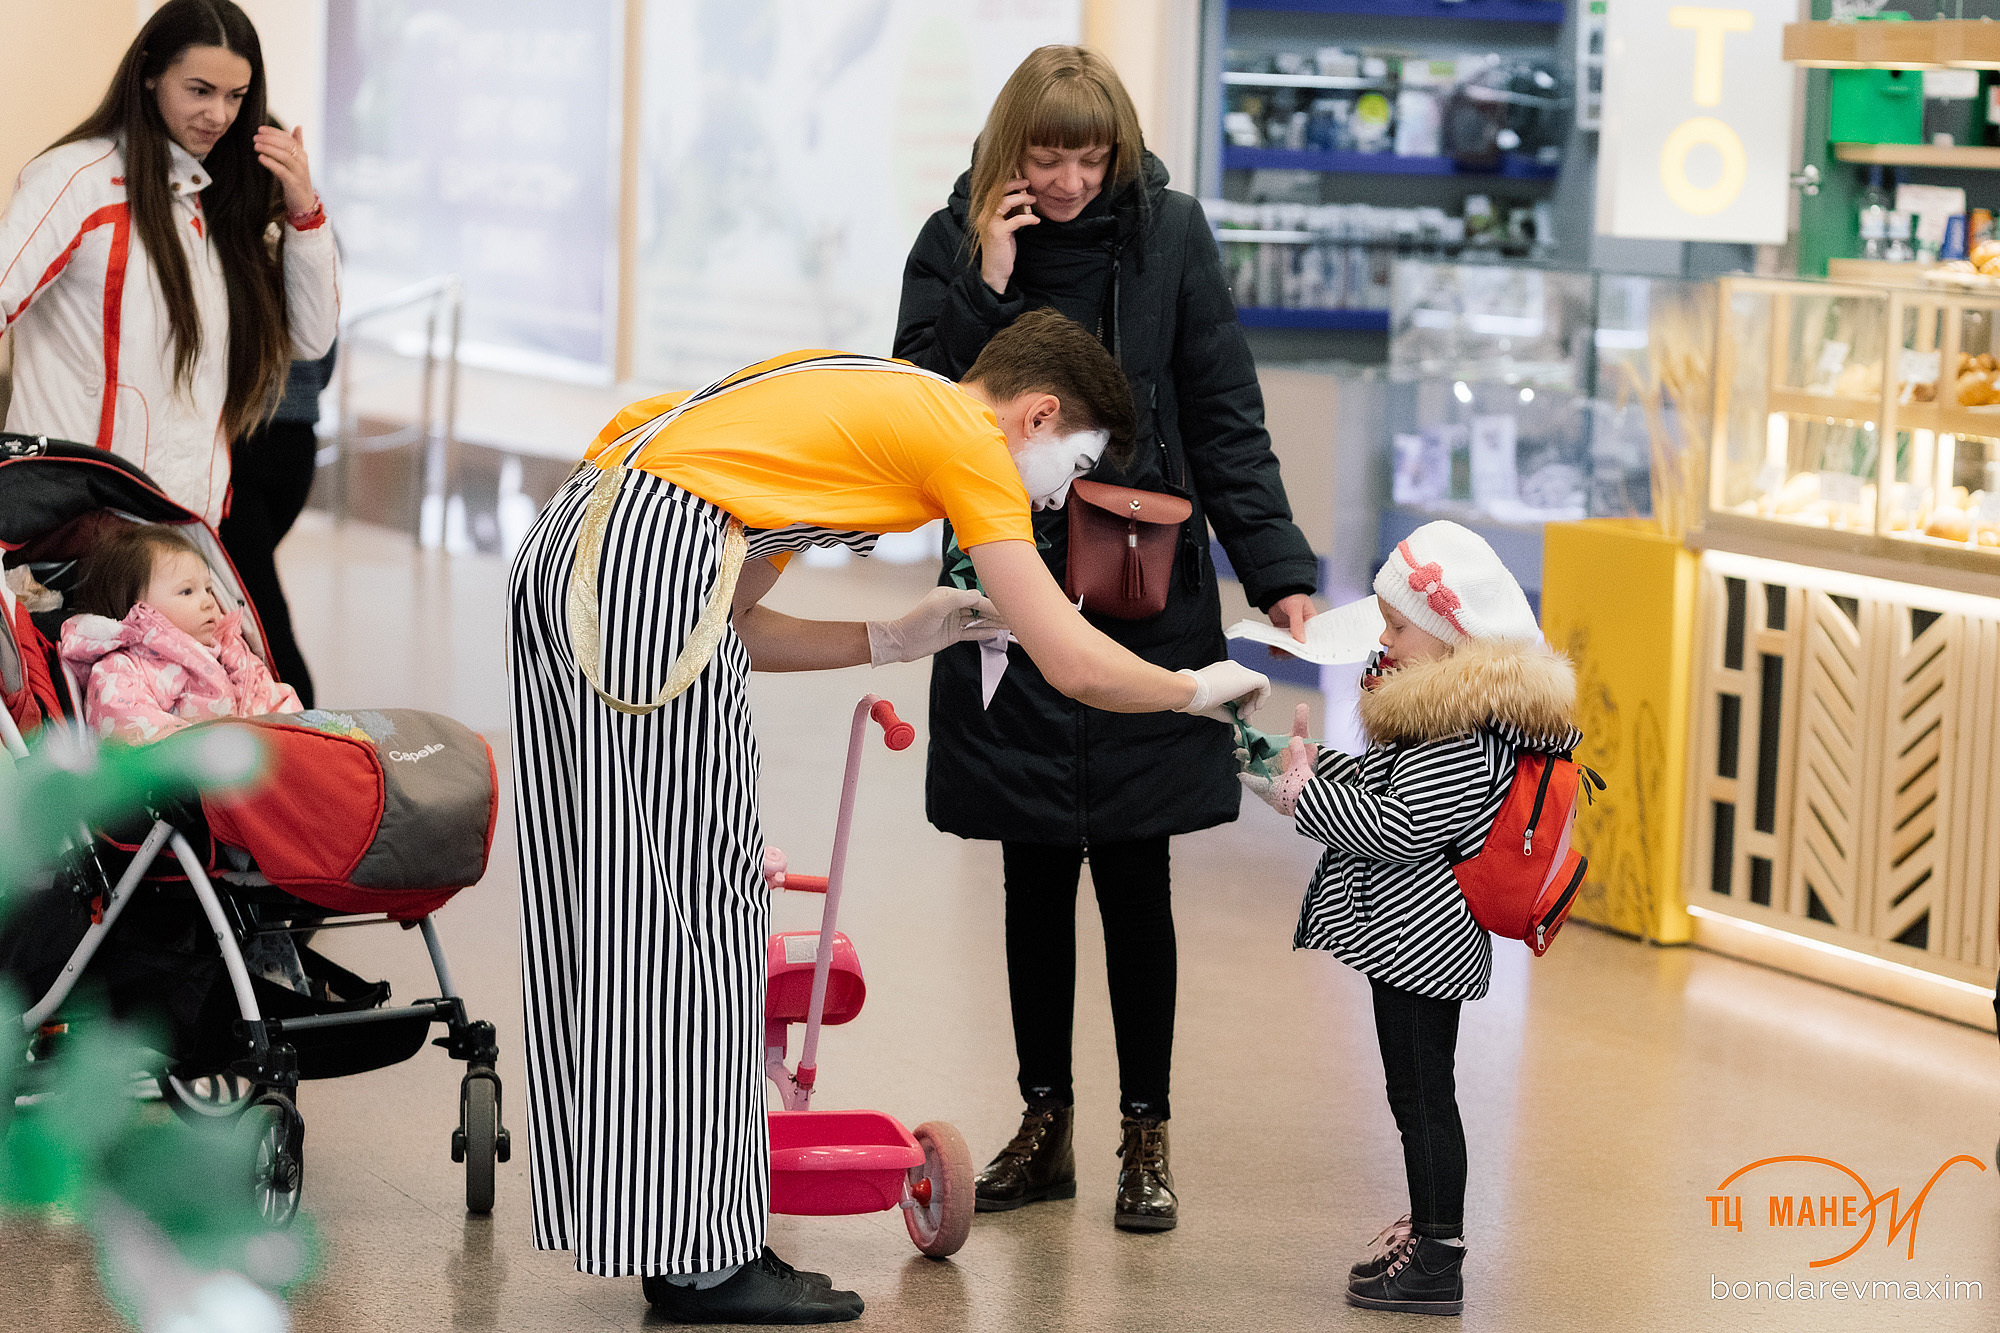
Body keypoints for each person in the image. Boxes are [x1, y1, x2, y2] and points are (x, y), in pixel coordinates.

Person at [508, 310, 1270, 1324]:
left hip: (584, 554)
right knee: (693, 901)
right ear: (1037, 413)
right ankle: (703, 1262)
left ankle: (675, 1237)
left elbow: (733, 628)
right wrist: (1196, 690)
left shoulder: (874, 401)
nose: (1055, 493)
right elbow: (1074, 660)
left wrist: (897, 634)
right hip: (638, 573)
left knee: (625, 896)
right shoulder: (964, 437)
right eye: (1071, 461)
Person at [893, 44, 1319, 1231]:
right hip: (1008, 598)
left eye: (1090, 155)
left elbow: (1224, 413)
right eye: (1048, 155)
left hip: (1149, 594)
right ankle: (1044, 1127)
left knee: (1136, 871)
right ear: (1009, 150)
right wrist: (987, 278)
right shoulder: (950, 238)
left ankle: (1145, 1134)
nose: (1071, 179)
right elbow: (917, 410)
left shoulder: (1170, 235)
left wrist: (1278, 572)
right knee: (1032, 865)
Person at [1242, 521, 1578, 1318]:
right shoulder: (1439, 710)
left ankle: (1438, 1253)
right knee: (1415, 1089)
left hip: (1425, 941)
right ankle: (1432, 1236)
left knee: (1424, 1094)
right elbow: (1389, 785)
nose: (1383, 640)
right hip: (1412, 936)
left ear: (1451, 635)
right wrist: (1294, 766)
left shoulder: (1459, 726)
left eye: (1397, 627)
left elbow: (1401, 826)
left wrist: (1299, 795)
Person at [0, 0, 339, 527]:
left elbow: (312, 338)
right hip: (80, 526)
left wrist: (303, 212)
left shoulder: (217, 199)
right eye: (200, 91)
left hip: (184, 529)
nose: (220, 115)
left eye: (236, 97)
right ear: (150, 75)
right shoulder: (79, 179)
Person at [59, 523, 301, 744]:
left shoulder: (232, 653)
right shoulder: (123, 667)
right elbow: (126, 725)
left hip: (245, 770)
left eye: (208, 589)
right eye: (187, 591)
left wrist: (289, 738)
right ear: (138, 608)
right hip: (181, 781)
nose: (208, 601)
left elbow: (272, 699)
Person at [220, 337, 334, 706]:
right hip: (297, 440)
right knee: (245, 594)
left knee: (258, 609)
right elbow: (323, 352)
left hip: (243, 433)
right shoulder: (312, 277)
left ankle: (309, 729)